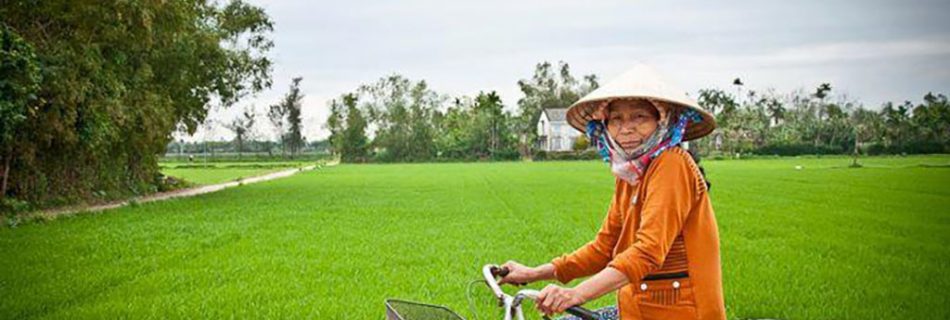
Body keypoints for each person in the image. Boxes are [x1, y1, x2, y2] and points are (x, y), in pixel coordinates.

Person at [499, 64, 726, 319]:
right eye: (617, 119)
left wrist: (576, 294)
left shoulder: (672, 164)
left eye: (639, 117)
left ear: (663, 121)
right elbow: (604, 248)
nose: (626, 129)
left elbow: (648, 251)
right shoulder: (630, 174)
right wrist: (533, 273)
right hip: (635, 311)